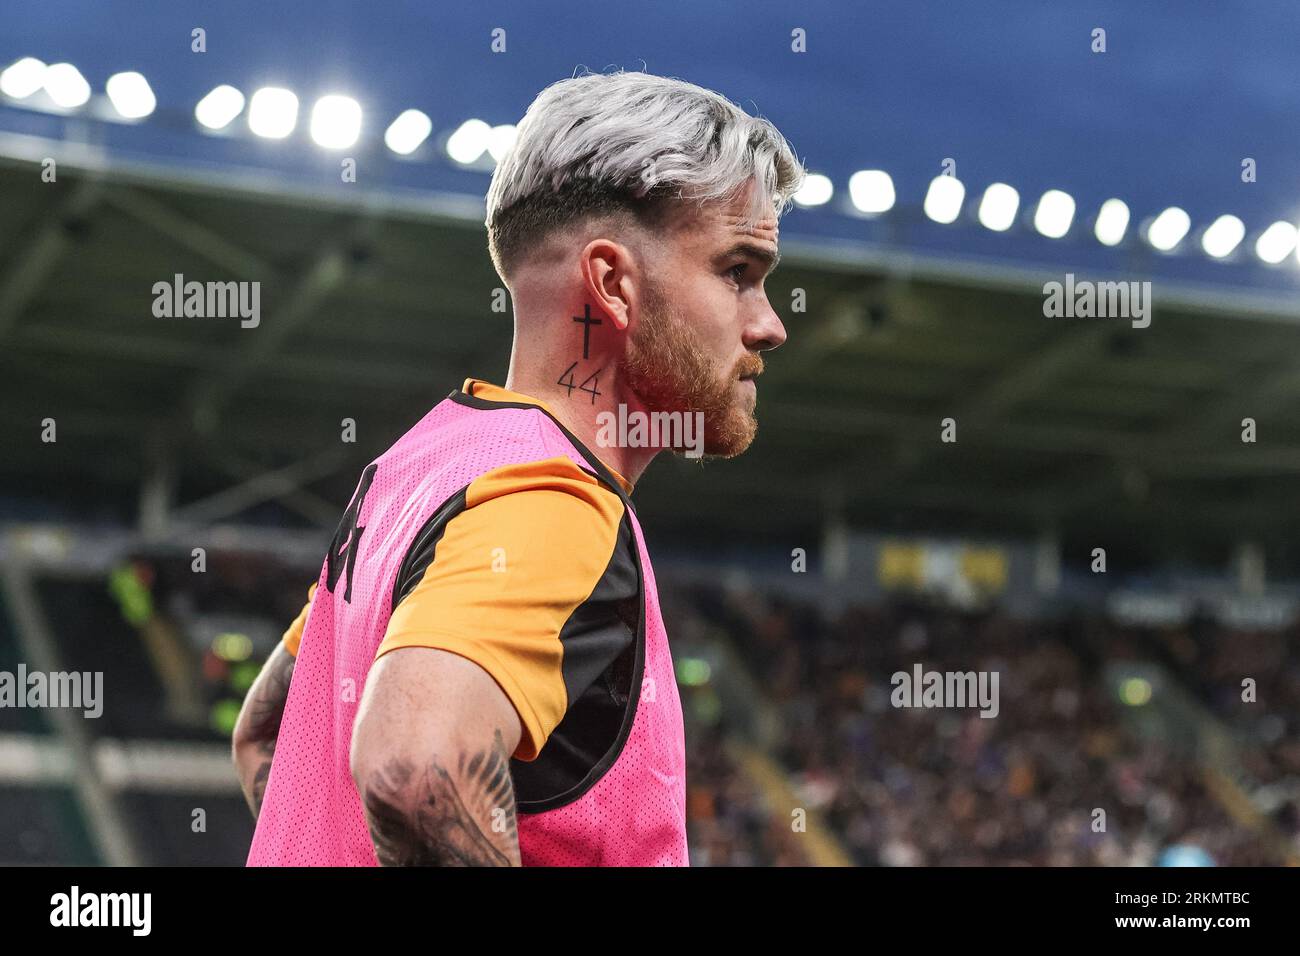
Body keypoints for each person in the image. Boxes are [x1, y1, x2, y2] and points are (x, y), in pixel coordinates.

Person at [233, 68, 804, 866]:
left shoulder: (414, 467)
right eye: (737, 272)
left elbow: (265, 733)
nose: (770, 325)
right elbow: (413, 770)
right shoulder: (553, 501)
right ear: (611, 283)